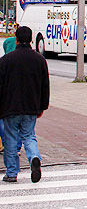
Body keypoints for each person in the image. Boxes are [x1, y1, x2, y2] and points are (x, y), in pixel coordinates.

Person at [0, 26, 49, 183]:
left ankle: (12, 173)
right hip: (31, 107)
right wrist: (42, 106)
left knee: (11, 139)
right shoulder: (39, 60)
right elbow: (44, 85)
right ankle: (34, 157)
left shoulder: (6, 60)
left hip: (10, 108)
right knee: (29, 136)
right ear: (31, 40)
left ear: (16, 39)